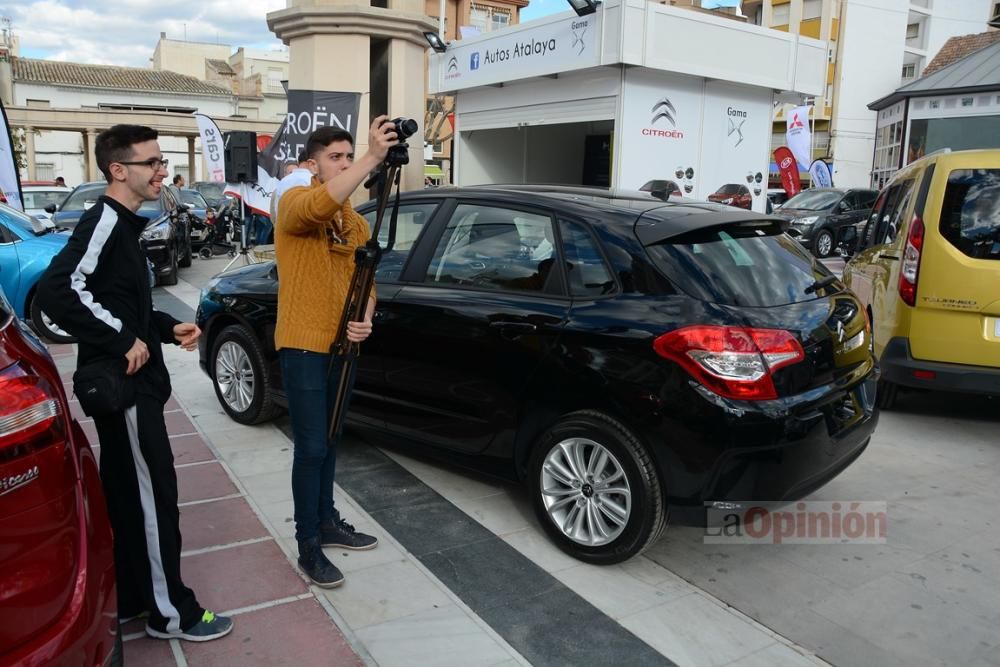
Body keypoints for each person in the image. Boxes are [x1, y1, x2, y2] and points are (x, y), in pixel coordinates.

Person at [36, 125, 233, 642]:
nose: (162, 172)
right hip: (125, 390)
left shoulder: (124, 224)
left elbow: (122, 300)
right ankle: (173, 613)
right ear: (118, 169)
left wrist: (165, 329)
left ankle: (132, 598)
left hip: (132, 384)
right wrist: (124, 339)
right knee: (152, 497)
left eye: (162, 161)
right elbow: (59, 291)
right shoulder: (103, 219)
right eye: (153, 163)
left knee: (127, 494)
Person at [274, 117, 397, 587]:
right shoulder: (295, 201)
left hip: (343, 346)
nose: (345, 164)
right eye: (336, 158)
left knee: (329, 439)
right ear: (312, 166)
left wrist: (366, 313)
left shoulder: (358, 223)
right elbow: (318, 207)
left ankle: (327, 521)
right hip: (304, 344)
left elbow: (365, 281)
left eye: (349, 157)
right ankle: (308, 544)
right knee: (309, 447)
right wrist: (371, 158)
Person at [271, 151, 316, 222]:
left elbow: (275, 211)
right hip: (305, 229)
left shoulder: (282, 182)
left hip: (282, 229)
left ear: (298, 162)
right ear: (311, 162)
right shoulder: (313, 181)